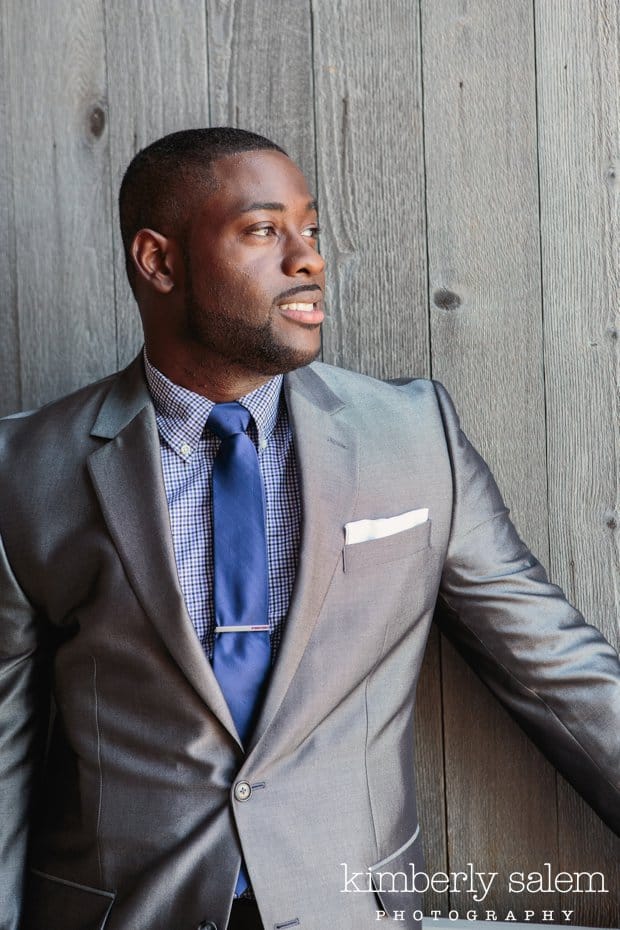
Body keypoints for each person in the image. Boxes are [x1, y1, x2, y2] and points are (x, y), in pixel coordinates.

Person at [0, 127, 618, 930]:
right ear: (159, 262)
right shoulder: (25, 467)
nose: (309, 260)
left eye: (312, 231)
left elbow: (558, 672)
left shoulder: (412, 436)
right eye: (263, 231)